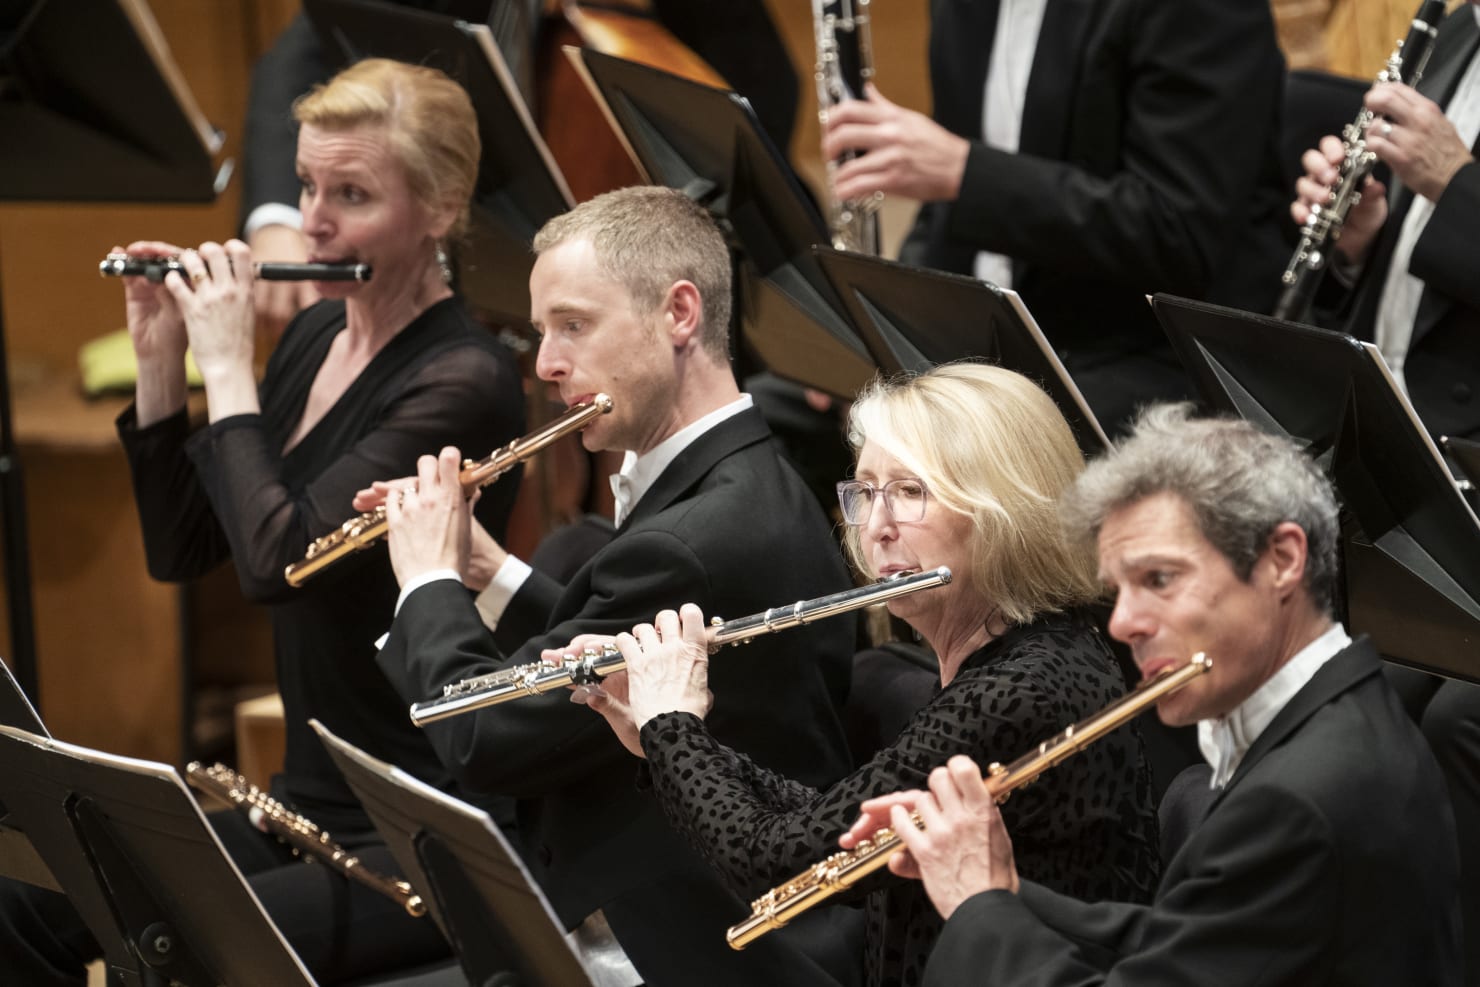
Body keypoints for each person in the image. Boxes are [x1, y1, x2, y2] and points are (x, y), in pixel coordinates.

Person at [0, 58, 526, 985]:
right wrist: (162, 362)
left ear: (441, 208)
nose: (312, 220)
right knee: (21, 903)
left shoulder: (464, 380)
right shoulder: (319, 336)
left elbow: (280, 562)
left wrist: (226, 364)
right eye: (307, 185)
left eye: (351, 195)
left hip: (416, 834)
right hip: (300, 805)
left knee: (177, 952)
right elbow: (186, 549)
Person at [368, 185, 858, 987]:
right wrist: (487, 570)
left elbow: (478, 734)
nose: (546, 364)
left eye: (574, 325)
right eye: (542, 331)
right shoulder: (740, 478)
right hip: (661, 912)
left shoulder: (688, 540)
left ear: (679, 314)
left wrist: (427, 577)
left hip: (687, 947)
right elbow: (608, 649)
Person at [572, 363, 1161, 987]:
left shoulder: (1021, 691)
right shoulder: (1021, 660)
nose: (877, 527)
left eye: (909, 491)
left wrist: (674, 728)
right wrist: (662, 737)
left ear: (1003, 509)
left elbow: (778, 863)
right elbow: (837, 824)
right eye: (866, 492)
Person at [857, 404, 1462, 986]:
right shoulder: (1349, 708)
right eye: (1120, 589)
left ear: (1281, 561)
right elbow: (1197, 939)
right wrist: (1000, 884)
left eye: (1160, 579)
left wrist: (977, 903)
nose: (1124, 623)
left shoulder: (1296, 800)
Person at [821, 0, 1289, 434]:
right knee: (802, 397)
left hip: (1143, 347)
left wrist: (967, 174)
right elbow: (944, 207)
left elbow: (1177, 231)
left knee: (958, 452)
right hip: (995, 330)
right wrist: (886, 326)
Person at [1293, 7, 1480, 979]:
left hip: (1462, 490)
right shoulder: (1458, 29)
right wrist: (1363, 242)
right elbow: (1422, 289)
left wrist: (1456, 185)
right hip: (1387, 452)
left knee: (1414, 706)